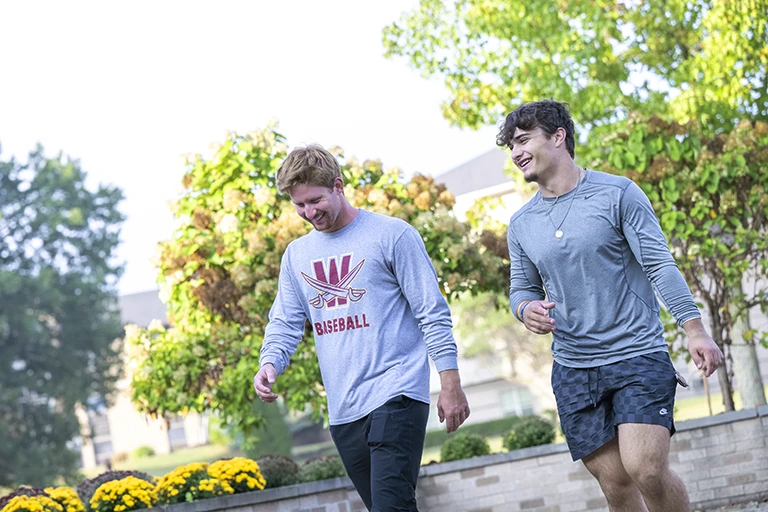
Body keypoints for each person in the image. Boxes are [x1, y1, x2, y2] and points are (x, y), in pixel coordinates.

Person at [498, 100, 723, 512]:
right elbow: (520, 287)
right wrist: (524, 308)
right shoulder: (522, 223)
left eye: (523, 140)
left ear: (558, 136)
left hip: (637, 353)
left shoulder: (617, 193)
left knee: (646, 469)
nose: (515, 153)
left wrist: (695, 330)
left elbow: (659, 265)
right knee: (616, 485)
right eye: (511, 146)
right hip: (574, 366)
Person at [253, 144, 470, 511]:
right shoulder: (297, 255)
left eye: (315, 200)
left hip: (396, 393)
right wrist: (270, 362)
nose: (309, 213)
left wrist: (451, 384)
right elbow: (286, 320)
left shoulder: (392, 235)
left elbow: (431, 312)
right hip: (343, 409)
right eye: (299, 205)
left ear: (338, 186)